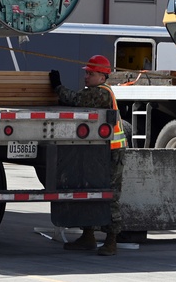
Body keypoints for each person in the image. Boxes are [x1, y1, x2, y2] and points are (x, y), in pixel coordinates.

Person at [49, 54, 126, 255]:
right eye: (87, 73)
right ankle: (88, 235)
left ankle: (111, 240)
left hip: (111, 153)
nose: (86, 77)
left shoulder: (101, 93)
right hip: (100, 152)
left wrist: (57, 87)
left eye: (90, 74)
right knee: (89, 189)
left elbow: (75, 100)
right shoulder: (96, 91)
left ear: (102, 76)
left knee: (109, 195)